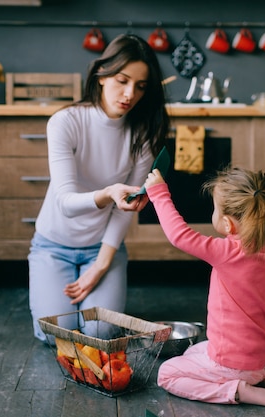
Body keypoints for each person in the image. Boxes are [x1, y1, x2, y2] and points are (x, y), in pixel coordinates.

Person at [28, 34, 170, 343]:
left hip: (103, 248)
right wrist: (108, 194)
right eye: (122, 80)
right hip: (53, 246)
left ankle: (93, 292)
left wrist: (101, 264)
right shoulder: (65, 122)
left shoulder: (143, 135)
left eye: (141, 86)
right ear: (102, 75)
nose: (130, 93)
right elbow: (65, 202)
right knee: (55, 335)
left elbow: (125, 210)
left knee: (101, 331)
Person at [144, 166, 265, 407]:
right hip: (262, 360)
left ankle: (237, 391)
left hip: (231, 366)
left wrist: (159, 193)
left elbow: (179, 235)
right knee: (194, 351)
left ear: (227, 224)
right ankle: (264, 376)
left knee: (167, 374)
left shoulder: (227, 252)